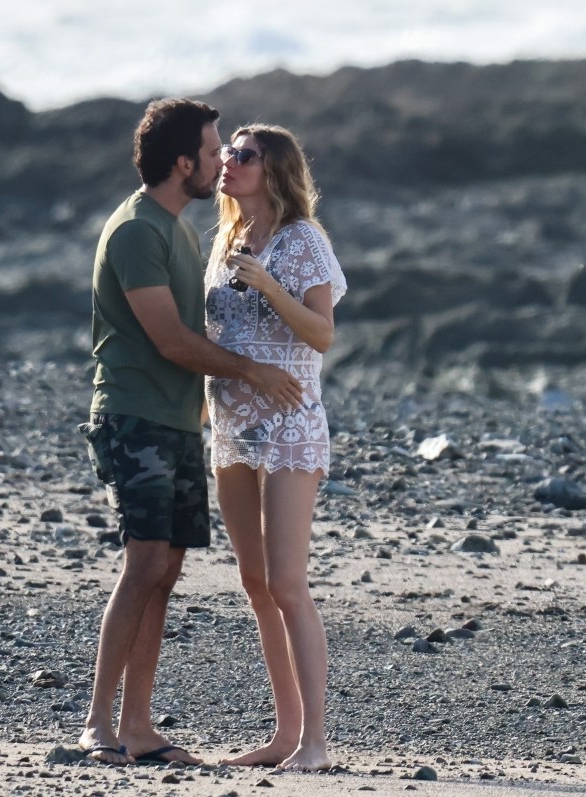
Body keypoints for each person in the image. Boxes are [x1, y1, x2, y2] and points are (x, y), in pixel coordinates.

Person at [77, 100, 304, 766]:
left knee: (167, 569)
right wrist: (252, 371)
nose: (220, 163)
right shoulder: (136, 232)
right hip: (134, 415)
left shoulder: (180, 231)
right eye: (211, 153)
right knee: (143, 561)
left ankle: (139, 725)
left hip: (177, 421)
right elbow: (173, 340)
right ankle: (97, 721)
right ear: (183, 163)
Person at [205, 125, 347, 771]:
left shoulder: (303, 241)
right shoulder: (228, 236)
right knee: (255, 582)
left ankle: (316, 740)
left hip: (290, 425)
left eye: (243, 155)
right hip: (232, 427)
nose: (228, 162)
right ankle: (284, 734)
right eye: (227, 152)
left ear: (276, 169)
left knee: (288, 581)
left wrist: (267, 286)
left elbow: (321, 333)